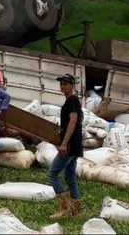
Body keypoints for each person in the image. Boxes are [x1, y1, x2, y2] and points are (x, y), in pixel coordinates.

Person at [48, 74, 83, 220]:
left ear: (72, 85)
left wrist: (63, 143)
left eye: (65, 84)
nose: (62, 87)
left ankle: (65, 208)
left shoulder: (72, 100)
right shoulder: (70, 101)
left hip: (69, 146)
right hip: (74, 145)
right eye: (61, 84)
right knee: (69, 176)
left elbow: (73, 121)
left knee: (52, 175)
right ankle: (76, 209)